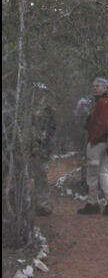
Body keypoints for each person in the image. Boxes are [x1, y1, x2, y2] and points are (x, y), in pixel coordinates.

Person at [77, 77, 108, 216]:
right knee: (103, 172)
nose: (95, 88)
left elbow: (102, 124)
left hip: (98, 142)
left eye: (98, 86)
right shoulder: (104, 102)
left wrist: (94, 139)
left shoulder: (103, 102)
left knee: (93, 173)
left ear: (105, 88)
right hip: (107, 142)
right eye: (93, 86)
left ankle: (92, 203)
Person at [30, 83, 56, 216]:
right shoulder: (26, 107)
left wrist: (46, 145)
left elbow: (52, 130)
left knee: (40, 174)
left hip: (42, 147)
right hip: (28, 146)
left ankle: (43, 204)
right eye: (37, 90)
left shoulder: (48, 110)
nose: (39, 93)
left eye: (42, 91)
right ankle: (26, 204)